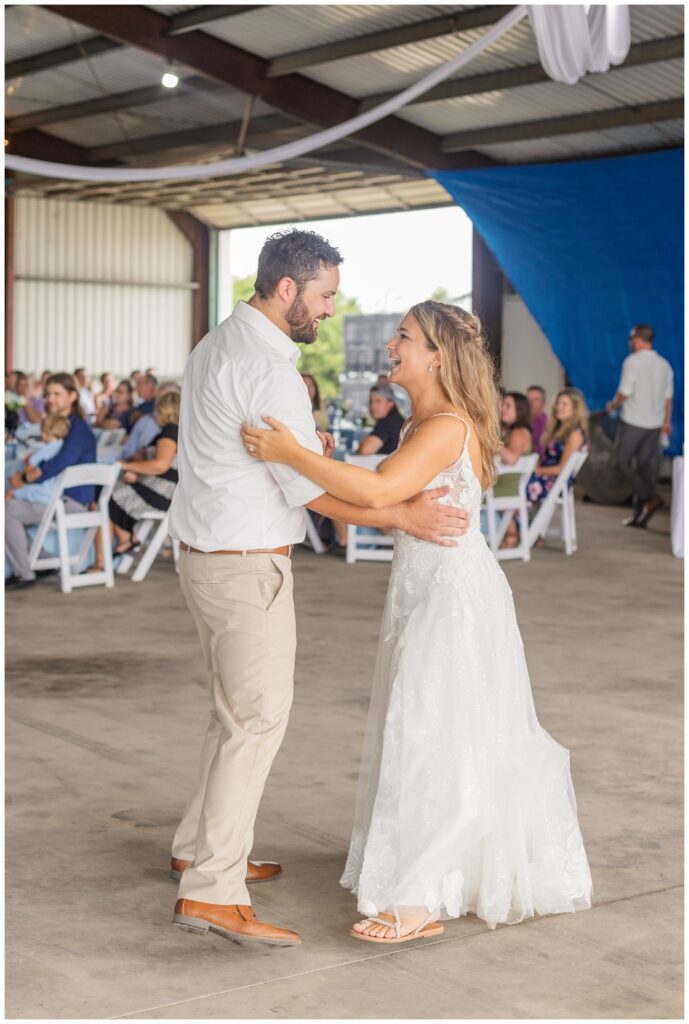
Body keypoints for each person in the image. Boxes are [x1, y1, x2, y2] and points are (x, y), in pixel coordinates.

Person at [242, 300, 592, 942]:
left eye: (403, 337)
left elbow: (377, 495)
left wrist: (290, 452)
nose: (391, 347)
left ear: (436, 356)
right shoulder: (421, 425)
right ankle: (432, 873)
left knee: (432, 728)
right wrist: (315, 461)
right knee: (432, 725)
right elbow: (374, 502)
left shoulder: (446, 426)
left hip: (451, 593)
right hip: (424, 587)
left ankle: (422, 896)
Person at [167, 230, 471, 948]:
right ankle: (211, 888)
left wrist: (309, 461)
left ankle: (199, 844)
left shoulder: (217, 344)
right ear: (286, 289)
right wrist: (400, 515)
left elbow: (272, 465)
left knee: (229, 715)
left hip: (204, 555)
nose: (330, 311)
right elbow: (306, 489)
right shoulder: (271, 369)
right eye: (325, 295)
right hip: (245, 564)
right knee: (255, 722)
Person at [5, 373, 96, 591]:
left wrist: (24, 479)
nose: (50, 399)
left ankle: (24, 574)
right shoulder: (67, 425)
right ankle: (43, 563)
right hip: (60, 498)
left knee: (7, 510)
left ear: (72, 396)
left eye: (56, 394)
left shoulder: (78, 429)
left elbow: (59, 463)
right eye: (47, 394)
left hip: (68, 501)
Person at [90, 392, 181, 569]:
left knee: (103, 494)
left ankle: (106, 557)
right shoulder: (176, 430)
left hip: (160, 493)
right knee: (105, 491)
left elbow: (160, 465)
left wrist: (126, 466)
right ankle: (125, 539)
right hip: (161, 491)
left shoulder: (170, 429)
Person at [606, 324, 673, 528]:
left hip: (634, 422)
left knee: (622, 461)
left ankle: (650, 497)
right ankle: (640, 516)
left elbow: (625, 392)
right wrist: (666, 422)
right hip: (654, 424)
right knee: (645, 468)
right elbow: (668, 398)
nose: (630, 343)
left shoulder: (632, 362)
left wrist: (612, 405)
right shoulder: (664, 365)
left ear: (638, 339)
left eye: (631, 339)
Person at [525, 388, 589, 516]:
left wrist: (536, 470)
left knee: (519, 485)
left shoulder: (575, 435)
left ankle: (517, 529)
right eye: (558, 403)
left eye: (564, 404)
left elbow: (561, 469)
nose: (558, 407)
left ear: (575, 409)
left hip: (555, 482)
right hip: (548, 478)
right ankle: (524, 529)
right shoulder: (561, 430)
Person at [5, 414, 70, 504]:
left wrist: (28, 460)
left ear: (45, 433)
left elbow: (31, 463)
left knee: (10, 491)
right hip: (54, 492)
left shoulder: (47, 448)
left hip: (41, 492)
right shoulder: (62, 446)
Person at [121, 381, 180, 459]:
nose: (160, 403)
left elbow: (160, 465)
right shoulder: (145, 421)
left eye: (165, 400)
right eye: (158, 399)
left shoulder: (178, 427)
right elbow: (128, 451)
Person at [527, 385, 548, 457]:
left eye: (536, 400)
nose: (531, 403)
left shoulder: (548, 424)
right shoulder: (519, 422)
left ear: (544, 403)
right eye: (528, 399)